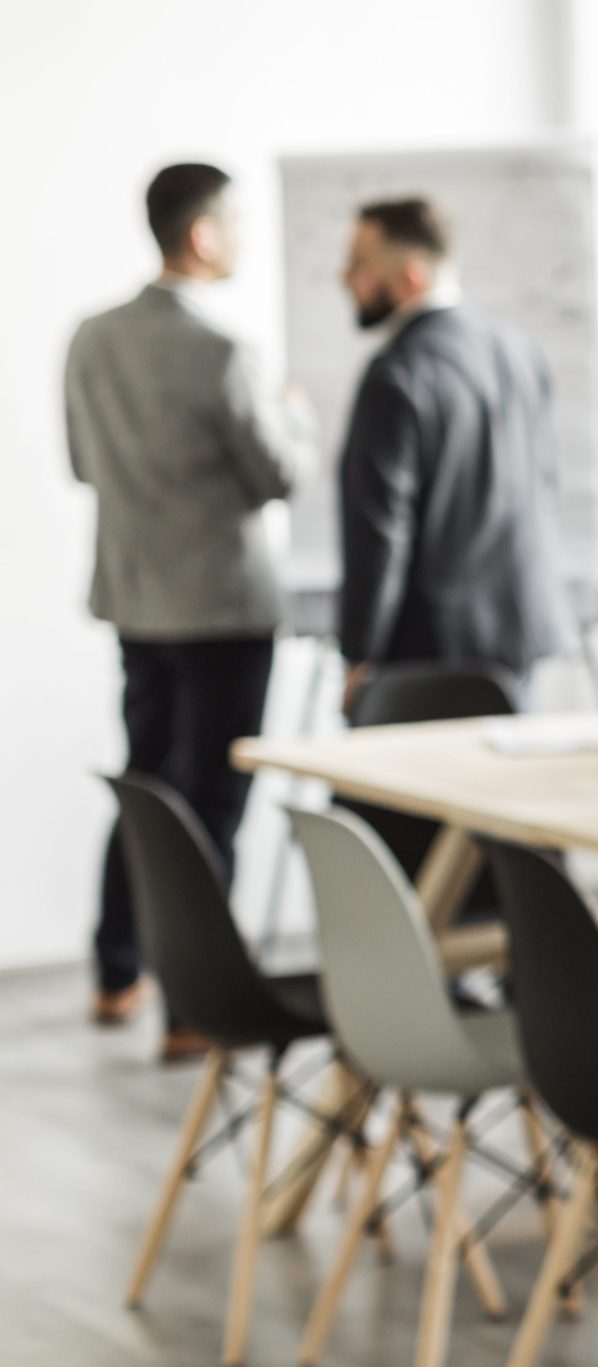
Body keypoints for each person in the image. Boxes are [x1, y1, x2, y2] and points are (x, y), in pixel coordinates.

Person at [64, 162, 313, 1055]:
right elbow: (277, 477)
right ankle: (193, 1009)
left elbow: (82, 464)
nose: (240, 238)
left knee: (146, 786)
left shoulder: (91, 338)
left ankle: (117, 970)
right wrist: (295, 417)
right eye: (234, 222)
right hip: (222, 608)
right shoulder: (224, 350)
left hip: (135, 598)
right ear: (203, 235)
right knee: (210, 804)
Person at [336, 195, 571, 707]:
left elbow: (379, 531)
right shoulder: (518, 351)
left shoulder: (397, 373)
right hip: (521, 631)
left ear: (411, 276)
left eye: (359, 264)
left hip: (430, 651)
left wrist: (360, 654)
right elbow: (543, 486)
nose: (344, 277)